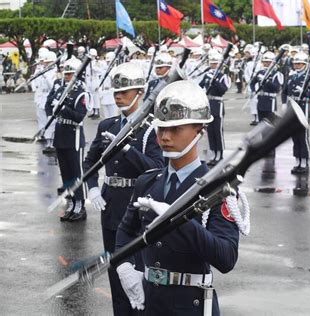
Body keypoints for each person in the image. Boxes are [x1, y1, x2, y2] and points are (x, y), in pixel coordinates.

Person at [115, 80, 239, 315]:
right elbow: (125, 231)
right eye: (162, 129)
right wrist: (124, 267)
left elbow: (226, 257)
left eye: (175, 129)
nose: (165, 137)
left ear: (199, 130)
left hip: (191, 304)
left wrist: (180, 221)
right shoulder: (148, 181)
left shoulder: (218, 188)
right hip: (149, 301)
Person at [83, 61, 165, 315]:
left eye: (124, 92)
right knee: (116, 273)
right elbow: (90, 161)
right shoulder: (107, 125)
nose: (118, 97)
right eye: (115, 92)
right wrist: (93, 187)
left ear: (139, 93)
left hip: (138, 208)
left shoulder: (151, 128)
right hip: (111, 205)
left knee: (139, 274)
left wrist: (127, 149)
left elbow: (156, 168)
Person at [45, 57, 90, 222]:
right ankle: (71, 202)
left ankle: (80, 205)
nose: (67, 76)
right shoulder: (59, 89)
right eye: (66, 73)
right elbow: (48, 107)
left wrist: (63, 108)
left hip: (74, 136)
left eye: (71, 73)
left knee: (76, 173)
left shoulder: (81, 92)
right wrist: (55, 105)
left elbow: (79, 116)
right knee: (65, 174)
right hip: (60, 135)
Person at [282, 52, 310, 174]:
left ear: (305, 65)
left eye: (300, 64)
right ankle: (297, 160)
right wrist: (283, 104)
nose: (297, 65)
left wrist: (305, 93)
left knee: (302, 137)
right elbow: (284, 92)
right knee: (294, 137)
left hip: (303, 109)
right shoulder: (291, 77)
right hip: (292, 109)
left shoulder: (309, 78)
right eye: (296, 63)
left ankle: (304, 162)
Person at [199, 52, 231, 166]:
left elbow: (223, 90)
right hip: (209, 103)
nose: (213, 65)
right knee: (210, 130)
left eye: (215, 63)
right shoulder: (208, 74)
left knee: (218, 131)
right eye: (212, 63)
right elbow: (200, 85)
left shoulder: (223, 76)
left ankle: (220, 154)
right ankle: (213, 153)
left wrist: (215, 81)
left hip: (218, 103)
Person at [250, 51, 284, 123]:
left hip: (270, 100)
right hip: (261, 100)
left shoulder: (276, 74)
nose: (266, 63)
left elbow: (276, 88)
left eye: (268, 62)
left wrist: (267, 81)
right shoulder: (260, 72)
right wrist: (253, 91)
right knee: (261, 123)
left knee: (270, 123)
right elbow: (252, 83)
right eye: (264, 62)